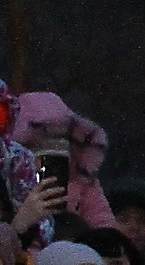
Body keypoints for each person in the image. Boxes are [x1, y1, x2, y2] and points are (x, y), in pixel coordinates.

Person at [8, 93, 115, 231]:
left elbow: (104, 223)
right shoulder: (10, 182)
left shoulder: (84, 183)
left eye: (62, 144)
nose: (49, 161)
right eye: (40, 155)